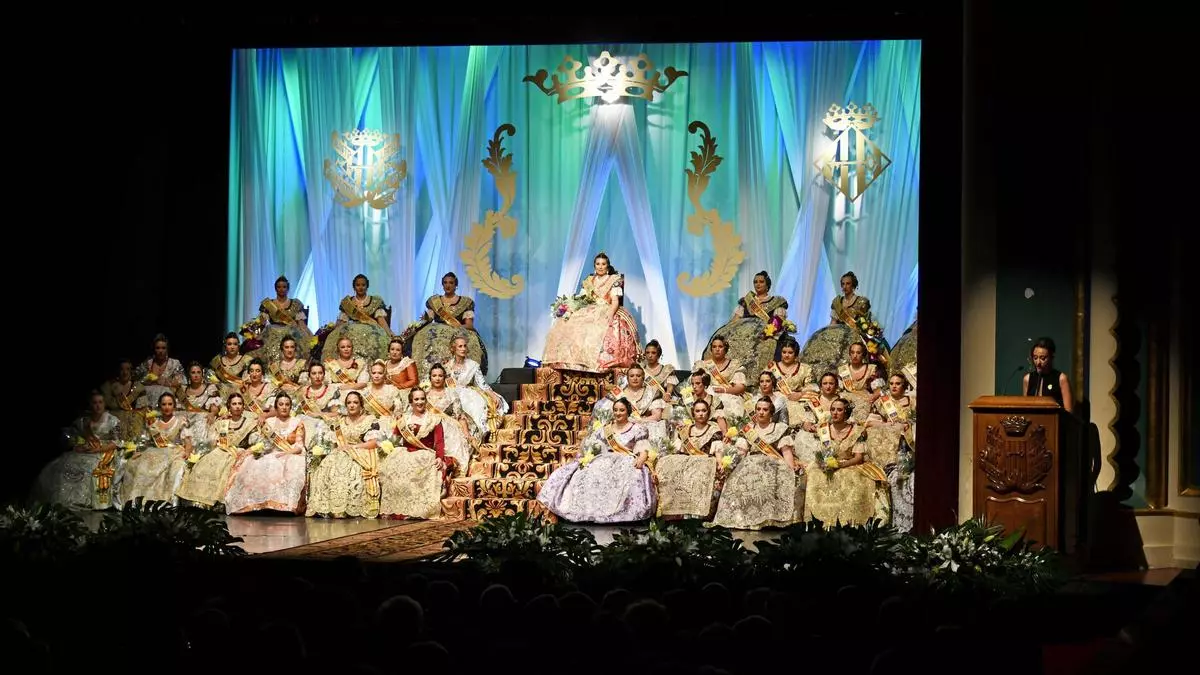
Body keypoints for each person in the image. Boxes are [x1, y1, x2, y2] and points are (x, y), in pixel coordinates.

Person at [542, 252, 640, 373]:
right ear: (594, 265)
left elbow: (615, 301)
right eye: (598, 264)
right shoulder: (589, 280)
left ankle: (600, 363)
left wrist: (609, 314)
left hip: (607, 308)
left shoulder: (614, 280)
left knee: (603, 329)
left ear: (607, 266)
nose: (600, 266)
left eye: (603, 264)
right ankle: (574, 362)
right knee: (572, 324)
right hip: (590, 309)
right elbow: (582, 298)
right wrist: (571, 307)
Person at [701, 271, 791, 376]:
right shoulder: (747, 301)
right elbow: (735, 320)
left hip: (764, 333)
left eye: (761, 282)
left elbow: (778, 320)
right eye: (755, 282)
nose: (758, 284)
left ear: (767, 285)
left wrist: (768, 333)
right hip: (743, 332)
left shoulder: (776, 301)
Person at [407, 272, 490, 381]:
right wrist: (419, 324)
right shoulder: (434, 301)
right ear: (442, 285)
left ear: (456, 285)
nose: (448, 285)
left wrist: (455, 327)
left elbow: (469, 325)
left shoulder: (465, 302)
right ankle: (426, 378)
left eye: (451, 283)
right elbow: (428, 319)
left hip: (458, 330)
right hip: (435, 331)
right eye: (445, 283)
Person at [1024, 337, 1073, 412]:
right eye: (1035, 358)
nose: (1038, 363)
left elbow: (1069, 412)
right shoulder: (1027, 379)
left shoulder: (1061, 379)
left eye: (1043, 358)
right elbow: (1025, 408)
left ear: (1051, 358)